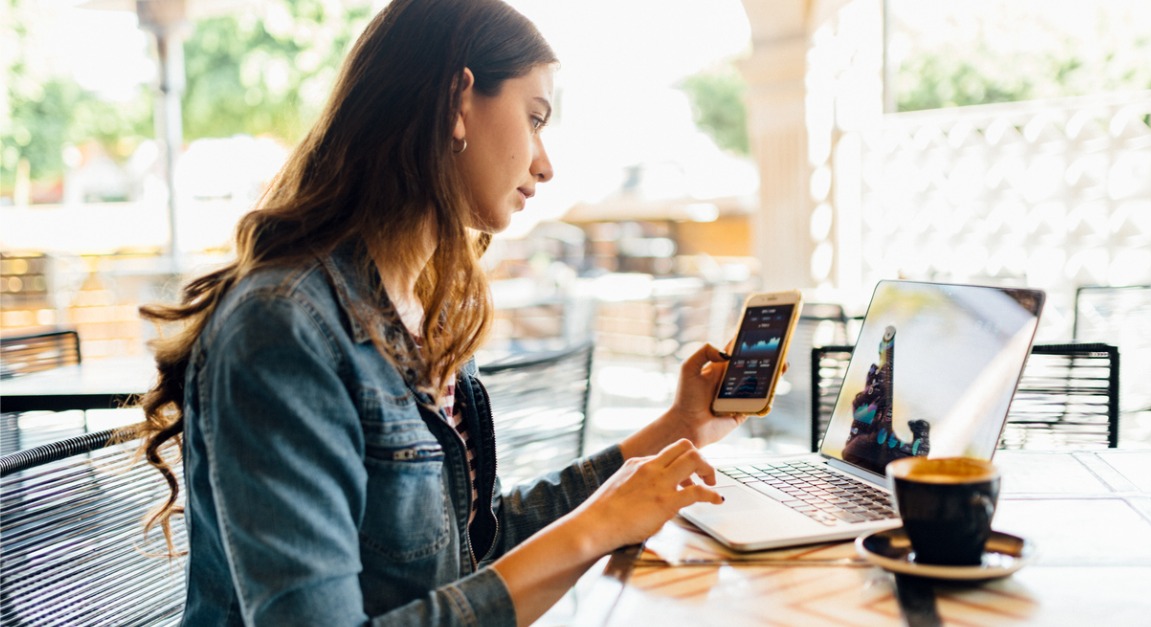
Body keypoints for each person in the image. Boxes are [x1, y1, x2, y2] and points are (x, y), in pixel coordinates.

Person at [134, 0, 746, 625]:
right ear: (459, 99)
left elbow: (475, 547)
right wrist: (593, 529)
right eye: (534, 119)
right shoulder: (282, 328)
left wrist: (681, 427)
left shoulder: (429, 309)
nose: (545, 162)